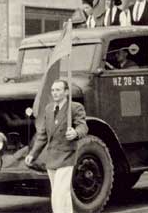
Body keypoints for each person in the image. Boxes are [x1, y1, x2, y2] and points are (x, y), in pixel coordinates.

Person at [25, 80, 88, 213]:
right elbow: (42, 135)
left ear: (66, 92)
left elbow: (83, 126)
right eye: (53, 90)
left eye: (58, 90)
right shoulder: (48, 109)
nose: (55, 93)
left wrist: (76, 132)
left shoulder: (75, 107)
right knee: (61, 193)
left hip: (66, 155)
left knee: (59, 193)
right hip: (52, 157)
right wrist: (32, 154)